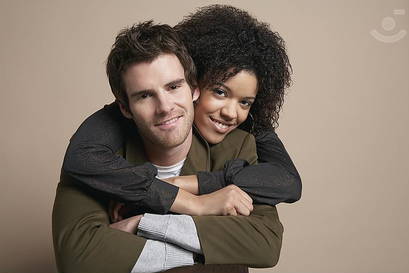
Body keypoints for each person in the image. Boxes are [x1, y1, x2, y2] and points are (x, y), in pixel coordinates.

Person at [53, 19, 284, 273]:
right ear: (125, 108)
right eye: (145, 95)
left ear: (194, 89)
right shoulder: (93, 157)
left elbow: (265, 243)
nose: (164, 107)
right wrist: (205, 225)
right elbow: (78, 260)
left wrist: (144, 223)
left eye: (173, 87)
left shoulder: (238, 146)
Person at [62, 5, 301, 220]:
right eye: (219, 91)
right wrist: (189, 201)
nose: (230, 112)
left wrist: (184, 184)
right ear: (195, 83)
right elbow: (80, 157)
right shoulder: (140, 107)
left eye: (246, 101)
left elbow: (288, 183)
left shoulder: (249, 125)